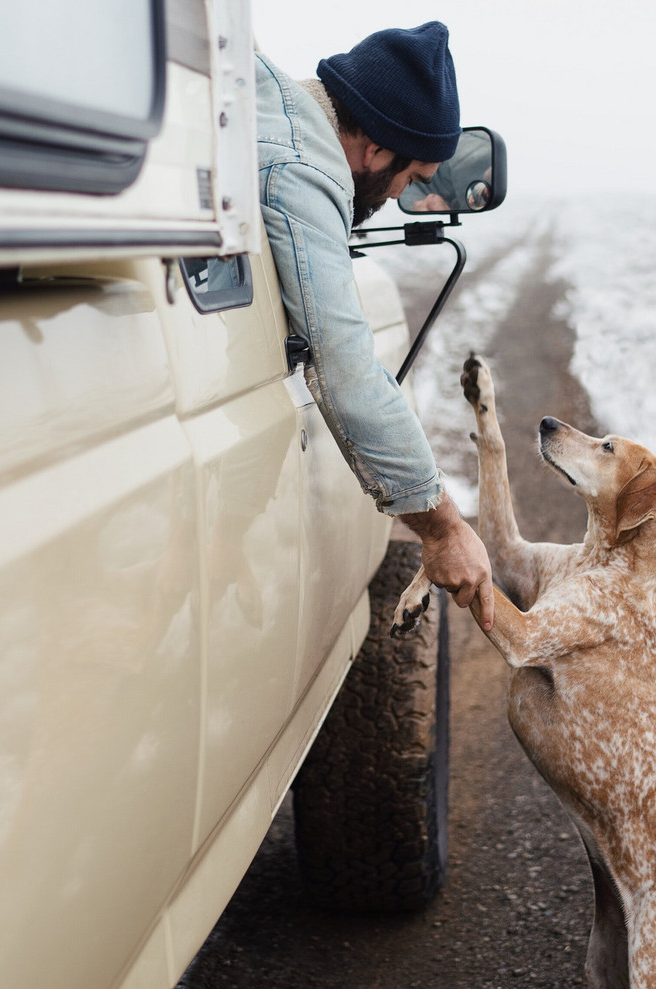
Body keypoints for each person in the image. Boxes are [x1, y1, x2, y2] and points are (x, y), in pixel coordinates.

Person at [255, 23, 494, 627]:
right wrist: (443, 526)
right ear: (377, 150)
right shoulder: (306, 171)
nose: (396, 196)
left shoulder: (265, 100)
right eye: (411, 180)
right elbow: (346, 368)